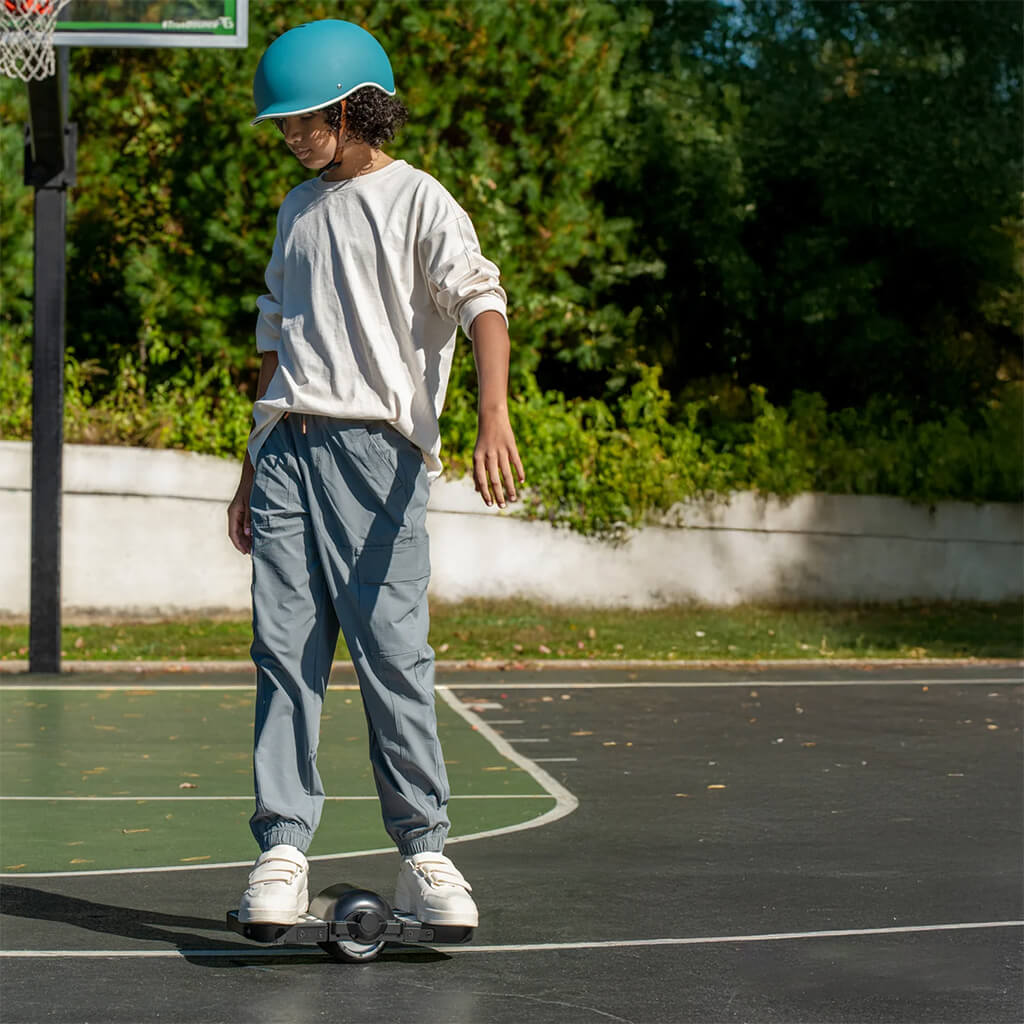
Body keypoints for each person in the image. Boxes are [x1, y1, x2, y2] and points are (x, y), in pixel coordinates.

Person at [226, 19, 523, 929]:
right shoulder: (296, 208)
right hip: (286, 447)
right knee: (284, 654)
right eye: (282, 124)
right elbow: (277, 338)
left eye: (303, 120)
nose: (290, 136)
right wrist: (249, 467)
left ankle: (425, 854)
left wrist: (494, 414)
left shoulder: (420, 200)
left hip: (377, 454)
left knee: (393, 658)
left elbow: (482, 303)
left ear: (356, 109)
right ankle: (282, 849)